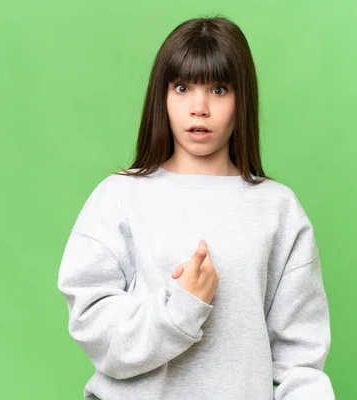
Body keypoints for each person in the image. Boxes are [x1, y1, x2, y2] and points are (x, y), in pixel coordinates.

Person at [57, 16, 335, 400]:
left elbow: (300, 363)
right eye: (183, 87)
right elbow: (94, 331)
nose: (199, 107)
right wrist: (181, 309)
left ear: (243, 99)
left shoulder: (278, 209)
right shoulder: (119, 197)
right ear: (163, 96)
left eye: (219, 89)